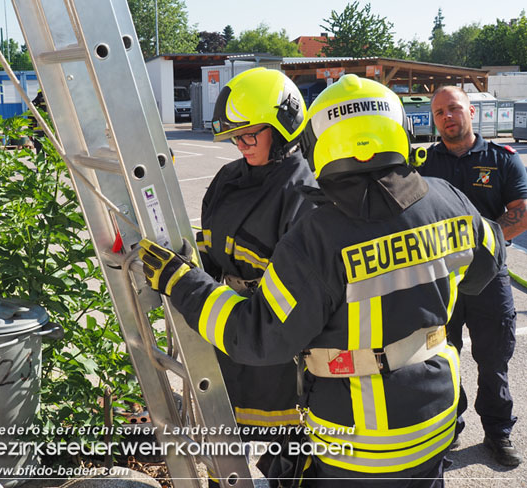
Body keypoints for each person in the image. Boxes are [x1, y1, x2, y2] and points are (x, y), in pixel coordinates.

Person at [139, 74, 506, 486]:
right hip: (435, 421)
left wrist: (180, 282)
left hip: (359, 442)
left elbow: (258, 334)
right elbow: (486, 269)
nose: (240, 145)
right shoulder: (448, 199)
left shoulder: (319, 235)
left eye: (248, 134)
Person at [196, 67, 318, 484]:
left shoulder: (303, 192)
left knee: (290, 451)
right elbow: (210, 244)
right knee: (223, 442)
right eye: (235, 136)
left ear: (283, 125)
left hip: (275, 345)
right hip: (226, 330)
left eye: (251, 134)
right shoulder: (228, 179)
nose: (241, 144)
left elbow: (298, 294)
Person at [417, 85, 527, 467]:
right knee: (440, 357)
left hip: (489, 276)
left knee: (493, 357)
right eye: (439, 113)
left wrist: (483, 244)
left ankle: (498, 432)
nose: (447, 117)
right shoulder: (424, 164)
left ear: (471, 112)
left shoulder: (503, 160)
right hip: (440, 277)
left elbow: (521, 211)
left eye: (453, 108)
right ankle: (447, 433)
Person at [30, 89, 46, 153]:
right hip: (45, 132)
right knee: (50, 153)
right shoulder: (53, 103)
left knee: (41, 153)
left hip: (39, 132)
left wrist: (30, 130)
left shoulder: (34, 104)